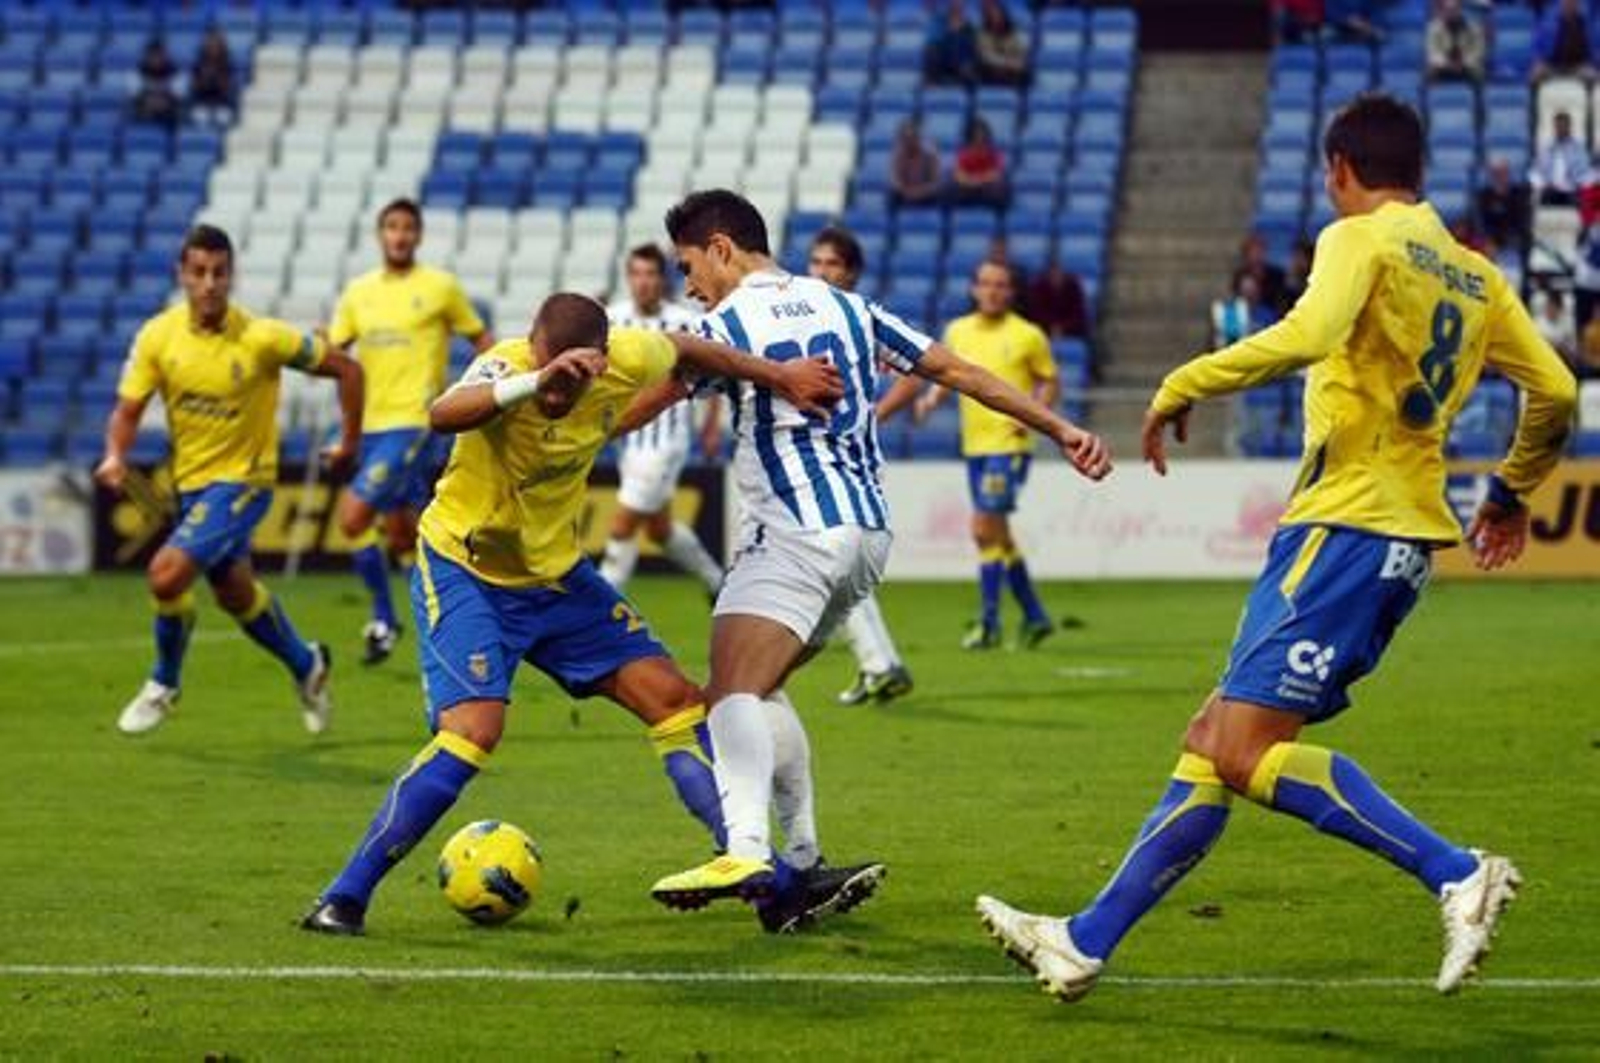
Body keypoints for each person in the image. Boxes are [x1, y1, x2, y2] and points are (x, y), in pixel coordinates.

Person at [977, 93, 1577, 1003]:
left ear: (1340, 168)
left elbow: (1309, 335)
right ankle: (1083, 940)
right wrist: (1508, 491)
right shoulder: (1474, 274)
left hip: (1343, 529)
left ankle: (1456, 871)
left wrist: (1186, 380)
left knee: (1244, 750)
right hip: (1401, 539)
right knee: (1212, 737)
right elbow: (1558, 389)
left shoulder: (1359, 239)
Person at [300, 293, 874, 937]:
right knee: (474, 732)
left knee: (677, 702)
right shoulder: (507, 365)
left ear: (601, 361)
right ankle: (343, 898)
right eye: (549, 371)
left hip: (558, 579)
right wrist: (536, 381)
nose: (556, 393)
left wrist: (780, 376)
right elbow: (443, 413)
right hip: (466, 572)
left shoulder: (628, 354)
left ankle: (771, 883)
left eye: (570, 379)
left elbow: (687, 348)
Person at [646, 190, 1111, 910]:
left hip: (796, 528)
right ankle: (804, 863)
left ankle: (746, 850)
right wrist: (1061, 429)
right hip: (866, 537)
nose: (690, 285)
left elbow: (655, 396)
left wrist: (561, 437)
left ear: (722, 249)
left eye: (688, 266)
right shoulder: (851, 308)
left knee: (730, 693)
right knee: (761, 688)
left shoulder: (725, 326)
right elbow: (958, 371)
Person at [95, 225, 365, 736]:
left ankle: (163, 683)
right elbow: (128, 410)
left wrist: (349, 441)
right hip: (192, 486)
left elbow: (349, 371)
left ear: (231, 276)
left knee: (165, 576)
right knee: (234, 592)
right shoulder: (158, 336)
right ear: (182, 274)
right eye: (199, 272)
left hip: (245, 483)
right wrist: (115, 454)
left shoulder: (263, 338)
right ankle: (307, 664)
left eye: (219, 272)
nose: (209, 283)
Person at [327, 199, 495, 666]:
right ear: (380, 234)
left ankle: (384, 618)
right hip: (370, 427)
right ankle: (461, 608)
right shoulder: (358, 293)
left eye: (407, 228)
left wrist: (487, 395)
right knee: (404, 536)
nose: (399, 236)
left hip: (415, 423)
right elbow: (334, 354)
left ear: (418, 236)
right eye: (392, 227)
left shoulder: (440, 287)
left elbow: (483, 343)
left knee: (352, 518)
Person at [902, 259, 1063, 651]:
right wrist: (931, 400)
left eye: (1001, 284)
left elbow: (1049, 381)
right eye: (986, 283)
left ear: (1011, 292)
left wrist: (1033, 415)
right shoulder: (958, 330)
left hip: (1008, 447)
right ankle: (1035, 616)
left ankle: (989, 622)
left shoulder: (1028, 334)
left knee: (982, 528)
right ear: (974, 289)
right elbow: (950, 374)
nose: (992, 291)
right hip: (975, 447)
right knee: (996, 534)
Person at [807, 226, 915, 707]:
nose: (821, 272)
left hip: (847, 461)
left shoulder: (862, 320)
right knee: (837, 568)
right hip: (814, 460)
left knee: (832, 564)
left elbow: (914, 375)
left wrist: (875, 414)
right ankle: (877, 664)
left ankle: (879, 663)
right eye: (815, 262)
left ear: (851, 273)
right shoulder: (803, 317)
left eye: (831, 263)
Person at [598, 244, 724, 596]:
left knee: (622, 526)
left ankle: (603, 610)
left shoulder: (685, 322)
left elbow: (712, 369)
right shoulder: (612, 319)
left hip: (666, 440)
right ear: (628, 278)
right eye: (636, 274)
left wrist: (711, 424)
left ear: (662, 279)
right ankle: (718, 583)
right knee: (659, 530)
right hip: (627, 439)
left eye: (651, 274)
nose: (643, 282)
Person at [1528, 111, 1592, 206]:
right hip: (1550, 189)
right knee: (1543, 198)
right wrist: (1542, 183)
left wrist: (1577, 183)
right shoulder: (1546, 148)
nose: (1561, 129)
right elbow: (1535, 171)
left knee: (1577, 199)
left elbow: (1586, 173)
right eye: (1558, 126)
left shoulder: (1578, 149)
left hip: (1571, 190)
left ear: (1569, 127)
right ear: (1555, 127)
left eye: (1563, 126)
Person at [1532, 0, 1598, 83]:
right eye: (1566, 2)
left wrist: (1592, 64)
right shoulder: (1549, 23)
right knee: (1535, 75)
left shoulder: (1585, 23)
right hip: (1553, 65)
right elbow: (1539, 47)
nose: (1569, 4)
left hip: (1579, 66)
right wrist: (1539, 62)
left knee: (1592, 76)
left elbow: (1591, 50)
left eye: (1573, 2)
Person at [1474, 158, 1531, 255]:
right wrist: (1489, 239)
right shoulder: (1484, 196)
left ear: (1508, 173)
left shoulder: (1519, 194)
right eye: (1496, 173)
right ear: (1491, 175)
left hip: (1514, 240)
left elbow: (1523, 220)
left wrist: (1512, 238)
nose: (1500, 176)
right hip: (1492, 240)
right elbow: (1480, 223)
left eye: (1503, 172)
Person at [1026, 257, 1091, 341]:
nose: (1055, 277)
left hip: (1071, 330)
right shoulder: (1038, 287)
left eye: (1058, 274)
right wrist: (1051, 327)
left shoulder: (1073, 286)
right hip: (1044, 329)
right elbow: (1036, 313)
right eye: (1052, 274)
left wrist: (1062, 328)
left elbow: (1079, 314)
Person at [951, 117, 1009, 208]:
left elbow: (996, 173)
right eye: (976, 134)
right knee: (950, 187)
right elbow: (959, 175)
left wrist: (979, 180)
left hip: (987, 189)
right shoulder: (964, 153)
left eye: (981, 133)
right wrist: (971, 182)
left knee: (1001, 187)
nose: (979, 137)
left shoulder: (993, 152)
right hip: (968, 189)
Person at [1212, 270, 1276, 347]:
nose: (1248, 296)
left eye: (1251, 291)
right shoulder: (1228, 312)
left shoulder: (1266, 313)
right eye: (1245, 291)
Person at [1426, 0, 1486, 84]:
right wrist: (1448, 63)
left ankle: (1479, 92)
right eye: (1448, 10)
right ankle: (1427, 91)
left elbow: (1478, 50)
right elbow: (1433, 51)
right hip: (1443, 64)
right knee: (1429, 71)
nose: (1451, 13)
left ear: (1460, 10)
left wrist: (1463, 62)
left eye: (1454, 9)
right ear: (1443, 11)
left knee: (1479, 73)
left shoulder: (1473, 27)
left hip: (1467, 64)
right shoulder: (1434, 28)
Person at [890, 119, 944, 209]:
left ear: (918, 138)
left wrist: (920, 192)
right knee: (892, 194)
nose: (910, 141)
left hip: (927, 195)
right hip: (906, 195)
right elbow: (897, 182)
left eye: (913, 137)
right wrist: (908, 192)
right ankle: (892, 218)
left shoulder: (930, 156)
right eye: (906, 138)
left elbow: (935, 182)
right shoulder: (898, 158)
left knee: (943, 192)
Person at [924, 0, 980, 86]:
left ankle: (967, 74)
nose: (957, 3)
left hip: (964, 64)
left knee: (964, 43)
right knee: (934, 49)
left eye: (960, 2)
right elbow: (933, 44)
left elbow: (975, 48)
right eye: (954, 1)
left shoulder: (970, 26)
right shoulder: (939, 21)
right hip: (945, 62)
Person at [976, 0, 1031, 86]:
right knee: (984, 68)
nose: (996, 19)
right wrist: (1007, 62)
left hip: (1011, 70)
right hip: (993, 70)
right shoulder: (983, 34)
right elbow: (986, 56)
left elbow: (1022, 53)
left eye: (998, 15)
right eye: (993, 16)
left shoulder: (1012, 33)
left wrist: (1017, 62)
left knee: (1025, 72)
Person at [189, 28, 235, 128]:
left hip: (222, 104)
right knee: (199, 117)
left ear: (221, 45)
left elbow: (228, 88)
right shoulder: (198, 64)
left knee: (224, 117)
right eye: (210, 44)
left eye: (216, 44)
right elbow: (194, 87)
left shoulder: (227, 64)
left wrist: (217, 77)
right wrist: (204, 78)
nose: (213, 48)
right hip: (202, 103)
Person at [132, 38, 179, 129]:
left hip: (168, 115)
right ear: (147, 56)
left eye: (159, 55)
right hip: (144, 113)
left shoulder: (175, 73)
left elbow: (178, 97)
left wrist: (162, 103)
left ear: (165, 56)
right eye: (153, 56)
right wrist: (151, 103)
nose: (156, 59)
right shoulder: (137, 73)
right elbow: (134, 97)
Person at [1535, 287, 1579, 364]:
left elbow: (1573, 349)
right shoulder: (1538, 322)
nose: (1549, 310)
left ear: (1560, 309)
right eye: (1548, 307)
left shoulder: (1568, 322)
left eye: (1553, 308)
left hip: (1562, 358)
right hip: (1543, 356)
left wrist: (1562, 347)